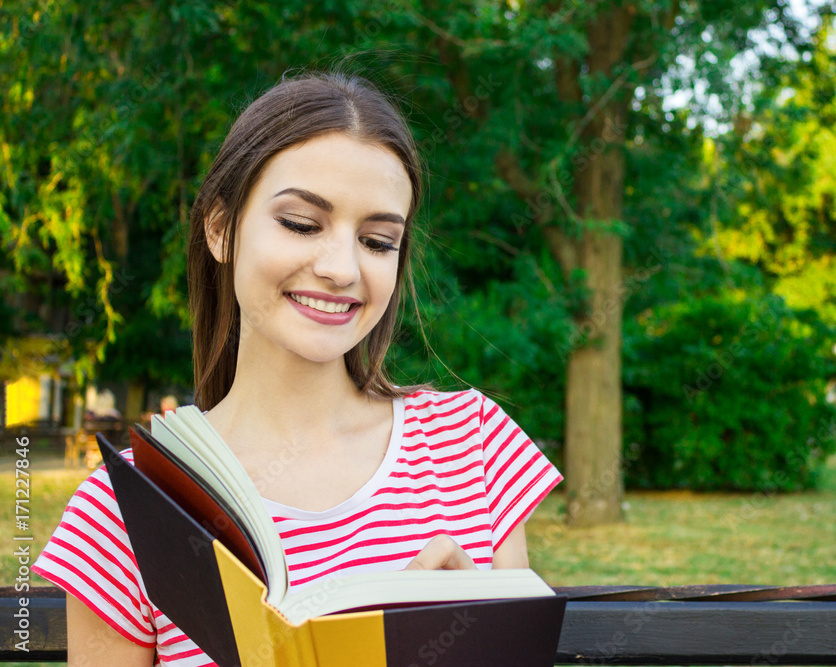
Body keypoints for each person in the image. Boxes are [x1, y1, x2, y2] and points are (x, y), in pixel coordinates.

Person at [32, 71, 563, 666]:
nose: (341, 268)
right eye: (302, 224)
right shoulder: (127, 504)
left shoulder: (473, 444)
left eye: (378, 241)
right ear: (220, 228)